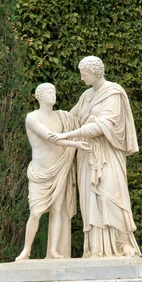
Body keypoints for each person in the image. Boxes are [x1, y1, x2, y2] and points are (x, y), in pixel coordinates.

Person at [49, 56, 141, 258]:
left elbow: (102, 125)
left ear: (95, 73)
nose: (82, 79)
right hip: (86, 155)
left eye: (84, 75)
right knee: (91, 203)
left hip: (107, 154)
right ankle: (96, 249)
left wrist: (67, 136)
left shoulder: (113, 93)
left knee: (112, 197)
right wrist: (44, 115)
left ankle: (123, 244)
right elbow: (69, 117)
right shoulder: (86, 96)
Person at [16, 83, 91, 261]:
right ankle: (26, 250)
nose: (53, 95)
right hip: (41, 171)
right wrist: (75, 143)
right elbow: (50, 137)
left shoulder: (62, 117)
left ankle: (54, 251)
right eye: (49, 92)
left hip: (60, 168)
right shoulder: (32, 118)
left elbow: (79, 117)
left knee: (58, 210)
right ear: (39, 96)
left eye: (54, 92)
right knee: (35, 212)